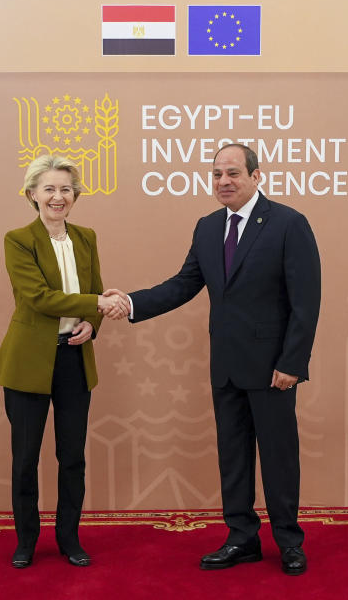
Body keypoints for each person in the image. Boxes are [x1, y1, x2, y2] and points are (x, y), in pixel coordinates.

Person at [104, 143, 321, 575]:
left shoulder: (288, 224)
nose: (224, 181)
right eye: (217, 174)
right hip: (224, 365)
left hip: (273, 369)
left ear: (256, 176)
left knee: (279, 457)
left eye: (233, 174)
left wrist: (292, 363)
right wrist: (129, 302)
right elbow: (183, 284)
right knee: (233, 457)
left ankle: (289, 542)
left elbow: (306, 300)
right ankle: (241, 539)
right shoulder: (206, 228)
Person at [0, 154, 122, 569]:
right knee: (26, 458)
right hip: (28, 364)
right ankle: (26, 541)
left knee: (73, 457)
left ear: (75, 195)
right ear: (32, 194)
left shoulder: (87, 237)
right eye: (49, 188)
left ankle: (69, 539)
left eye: (66, 188)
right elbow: (38, 298)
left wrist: (91, 322)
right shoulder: (18, 239)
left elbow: (95, 294)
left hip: (73, 360)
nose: (58, 196)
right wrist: (97, 303)